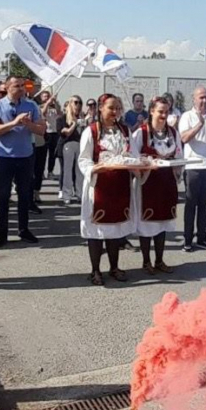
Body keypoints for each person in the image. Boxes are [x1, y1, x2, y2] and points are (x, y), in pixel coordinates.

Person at [78, 93, 137, 285]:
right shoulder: (92, 131)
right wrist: (95, 168)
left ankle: (114, 267)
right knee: (97, 229)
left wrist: (139, 163)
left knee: (116, 228)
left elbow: (132, 155)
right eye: (111, 108)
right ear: (101, 108)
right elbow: (84, 159)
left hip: (120, 185)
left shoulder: (125, 131)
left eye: (118, 108)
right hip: (99, 186)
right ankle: (95, 270)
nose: (115, 112)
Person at [0, 76, 45, 247]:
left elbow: (41, 130)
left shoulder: (31, 105)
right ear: (6, 87)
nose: (20, 89)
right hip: (5, 157)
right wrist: (13, 123)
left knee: (24, 195)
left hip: (26, 157)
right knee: (3, 196)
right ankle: (2, 233)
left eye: (22, 86)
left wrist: (28, 124)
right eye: (16, 86)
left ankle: (23, 229)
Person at [131, 96, 181, 274]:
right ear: (151, 111)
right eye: (160, 111)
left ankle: (159, 260)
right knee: (147, 222)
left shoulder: (173, 132)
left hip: (167, 181)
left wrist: (177, 166)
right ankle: (146, 261)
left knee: (162, 221)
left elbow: (179, 154)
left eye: (166, 112)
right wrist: (145, 162)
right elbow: (133, 157)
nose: (164, 115)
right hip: (148, 182)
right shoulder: (141, 133)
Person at [179, 86, 206, 252]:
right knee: (191, 204)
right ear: (194, 99)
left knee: (204, 204)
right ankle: (188, 239)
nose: (204, 101)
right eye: (201, 97)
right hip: (193, 166)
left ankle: (202, 238)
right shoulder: (187, 116)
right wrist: (199, 125)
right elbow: (184, 138)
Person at [57, 96, 85, 204]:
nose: (78, 105)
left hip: (80, 144)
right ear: (70, 104)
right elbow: (66, 133)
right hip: (67, 145)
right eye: (75, 102)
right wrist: (74, 124)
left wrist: (83, 123)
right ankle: (66, 194)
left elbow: (84, 133)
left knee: (80, 171)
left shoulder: (82, 118)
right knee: (67, 170)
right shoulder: (62, 119)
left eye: (80, 103)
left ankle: (80, 193)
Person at [39, 90, 61, 179]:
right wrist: (47, 103)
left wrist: (54, 101)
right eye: (44, 96)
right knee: (43, 154)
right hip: (45, 132)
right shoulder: (40, 107)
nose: (46, 98)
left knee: (53, 154)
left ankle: (50, 171)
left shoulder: (54, 107)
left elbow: (59, 113)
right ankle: (41, 172)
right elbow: (42, 113)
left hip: (54, 132)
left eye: (48, 96)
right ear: (41, 98)